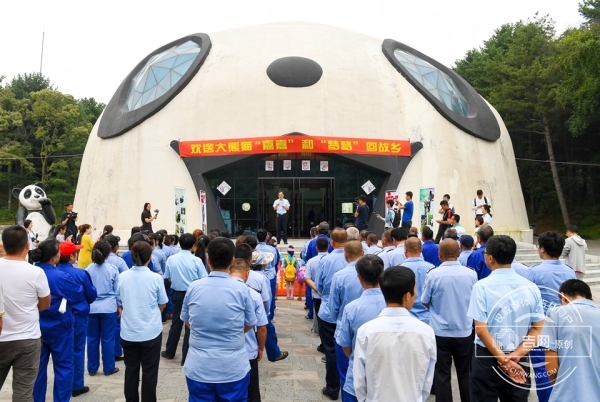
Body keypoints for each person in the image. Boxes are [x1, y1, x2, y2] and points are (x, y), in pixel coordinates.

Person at [467, 235, 545, 402]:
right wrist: (515, 355)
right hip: (519, 356)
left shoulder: (481, 287)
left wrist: (503, 360)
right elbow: (537, 329)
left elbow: (481, 330)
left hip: (487, 357)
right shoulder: (531, 288)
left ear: (490, 258)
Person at [181, 237, 257, 401]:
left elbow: (187, 321)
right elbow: (250, 323)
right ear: (232, 261)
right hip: (232, 367)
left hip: (199, 366)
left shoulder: (194, 287)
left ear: (208, 260)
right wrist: (233, 332)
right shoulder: (241, 289)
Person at [353, 266, 436, 401]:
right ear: (407, 295)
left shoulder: (366, 331)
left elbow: (359, 381)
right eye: (415, 290)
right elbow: (427, 381)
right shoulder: (426, 332)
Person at [421, 239, 478, 402]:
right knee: (465, 372)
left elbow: (425, 300)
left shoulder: (433, 274)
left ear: (439, 255)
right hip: (464, 330)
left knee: (442, 373)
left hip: (439, 331)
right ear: (459, 252)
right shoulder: (471, 274)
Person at [30, 239, 85, 402]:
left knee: (37, 369)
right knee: (63, 368)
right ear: (55, 257)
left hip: (36, 327)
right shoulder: (61, 276)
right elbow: (78, 294)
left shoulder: (32, 272)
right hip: (60, 327)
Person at [0, 225, 50, 401]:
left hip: (2, 337)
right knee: (23, 394)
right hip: (27, 338)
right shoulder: (35, 272)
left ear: (3, 245)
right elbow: (45, 304)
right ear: (28, 245)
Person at [527, 231, 576, 402]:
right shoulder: (570, 272)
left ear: (541, 249)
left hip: (541, 331)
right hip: (566, 328)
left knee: (544, 373)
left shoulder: (533, 272)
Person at [117, 240, 168, 402]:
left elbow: (119, 299)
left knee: (130, 371)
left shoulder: (122, 277)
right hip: (150, 331)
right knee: (150, 372)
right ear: (150, 257)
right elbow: (163, 302)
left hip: (129, 331)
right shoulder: (155, 278)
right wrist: (152, 313)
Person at [335, 255, 385, 402]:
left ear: (359, 278)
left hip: (358, 376)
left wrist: (357, 355)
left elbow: (345, 345)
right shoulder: (393, 304)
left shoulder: (352, 308)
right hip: (386, 378)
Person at [543, 279, 600, 402]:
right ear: (592, 300)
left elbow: (551, 367)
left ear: (563, 297)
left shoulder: (556, 313)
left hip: (568, 395)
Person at [56, 241, 98, 397]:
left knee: (60, 351)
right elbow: (92, 294)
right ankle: (76, 384)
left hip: (58, 317)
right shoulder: (80, 273)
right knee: (78, 349)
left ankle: (63, 385)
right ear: (72, 256)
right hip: (78, 315)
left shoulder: (52, 273)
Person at [162, 233, 208, 365]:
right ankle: (186, 357)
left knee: (176, 323)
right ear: (194, 245)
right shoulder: (197, 261)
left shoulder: (172, 259)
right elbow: (203, 278)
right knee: (190, 323)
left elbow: (168, 277)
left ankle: (170, 352)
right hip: (194, 294)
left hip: (178, 293)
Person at [329, 241, 365, 395]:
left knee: (346, 374)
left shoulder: (339, 276)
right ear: (363, 253)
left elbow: (333, 307)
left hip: (346, 327)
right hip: (372, 327)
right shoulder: (375, 273)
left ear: (345, 255)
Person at [316, 228, 348, 400]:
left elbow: (319, 287)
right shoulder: (355, 261)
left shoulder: (326, 260)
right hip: (350, 313)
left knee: (331, 352)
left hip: (328, 312)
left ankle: (333, 388)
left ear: (331, 242)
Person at [230, 259, 268, 402]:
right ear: (247, 274)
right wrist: (261, 347)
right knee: (251, 390)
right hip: (248, 349)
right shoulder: (253, 294)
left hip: (221, 351)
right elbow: (262, 327)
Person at [85, 241, 120, 376]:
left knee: (92, 338)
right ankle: (108, 367)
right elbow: (117, 291)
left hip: (92, 307)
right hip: (109, 307)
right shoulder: (112, 269)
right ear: (107, 254)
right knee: (108, 338)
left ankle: (92, 368)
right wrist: (119, 306)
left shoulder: (88, 269)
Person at [400, 238, 434, 324]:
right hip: (428, 317)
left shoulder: (400, 270)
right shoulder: (432, 269)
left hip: (407, 317)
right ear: (421, 249)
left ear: (405, 249)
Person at [304, 237, 328, 340]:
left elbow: (307, 277)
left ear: (317, 248)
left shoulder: (311, 261)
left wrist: (317, 289)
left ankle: (320, 332)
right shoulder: (332, 259)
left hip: (317, 294)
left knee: (318, 315)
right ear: (328, 246)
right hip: (329, 293)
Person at [256, 229, 279, 320]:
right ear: (267, 237)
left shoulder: (255, 248)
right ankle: (269, 316)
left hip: (257, 274)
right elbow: (274, 263)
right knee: (270, 296)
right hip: (269, 275)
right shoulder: (272, 249)